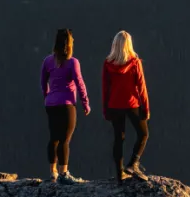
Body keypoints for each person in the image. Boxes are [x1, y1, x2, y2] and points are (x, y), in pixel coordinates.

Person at [41, 28, 90, 182]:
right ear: (69, 44)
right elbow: (79, 83)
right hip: (67, 105)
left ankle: (52, 172)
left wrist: (47, 96)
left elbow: (43, 82)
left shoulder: (48, 61)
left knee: (53, 138)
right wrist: (85, 102)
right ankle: (64, 173)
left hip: (51, 104)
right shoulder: (72, 62)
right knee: (64, 140)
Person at [102, 30, 151, 182]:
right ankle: (132, 164)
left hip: (114, 105)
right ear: (129, 45)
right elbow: (141, 87)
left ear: (115, 45)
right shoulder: (134, 63)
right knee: (143, 134)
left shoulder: (107, 64)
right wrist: (146, 108)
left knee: (119, 138)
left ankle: (119, 173)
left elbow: (105, 89)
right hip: (132, 104)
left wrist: (105, 109)